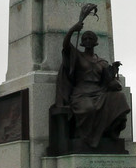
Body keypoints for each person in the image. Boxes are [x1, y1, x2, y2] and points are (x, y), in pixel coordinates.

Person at [56, 9, 130, 149]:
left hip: (99, 93)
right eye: (85, 39)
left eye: (90, 39)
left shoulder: (102, 62)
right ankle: (86, 138)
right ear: (82, 43)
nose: (88, 41)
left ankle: (112, 131)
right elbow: (65, 46)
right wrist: (73, 30)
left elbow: (110, 82)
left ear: (95, 42)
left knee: (120, 99)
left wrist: (114, 76)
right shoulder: (77, 56)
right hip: (81, 94)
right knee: (88, 108)